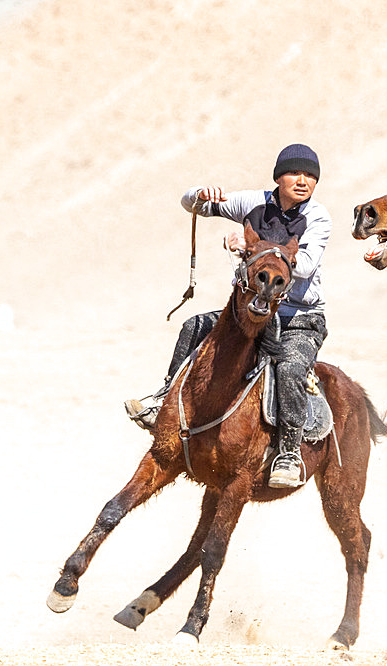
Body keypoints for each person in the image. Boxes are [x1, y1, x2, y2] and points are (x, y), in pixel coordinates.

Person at [125, 143, 332, 488]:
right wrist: (200, 193)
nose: (303, 181)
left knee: (291, 367)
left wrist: (250, 247)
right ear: (279, 176)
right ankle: (164, 400)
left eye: (311, 176)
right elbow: (191, 204)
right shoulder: (253, 202)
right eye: (296, 173)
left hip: (299, 315)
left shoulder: (318, 216)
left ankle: (288, 452)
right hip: (250, 309)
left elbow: (306, 264)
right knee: (194, 326)